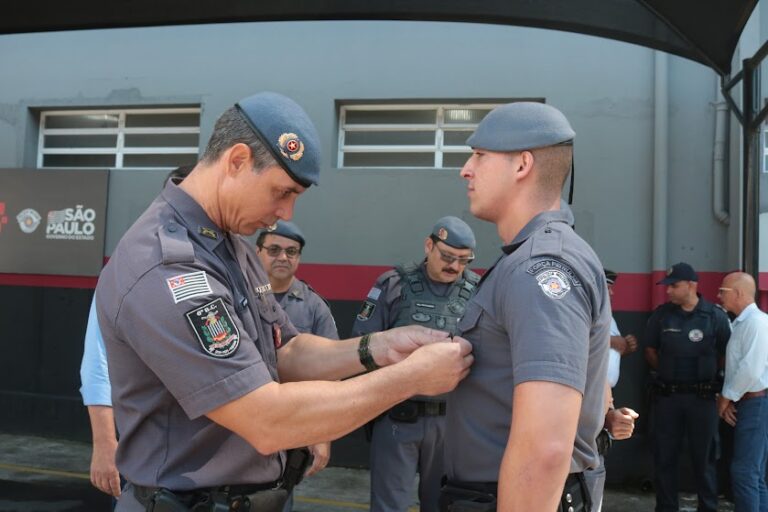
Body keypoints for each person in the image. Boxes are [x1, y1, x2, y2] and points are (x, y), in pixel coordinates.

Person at [94, 92, 474, 512]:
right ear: (237, 161)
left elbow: (285, 351)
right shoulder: (171, 268)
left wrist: (381, 348)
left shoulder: (229, 246)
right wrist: (411, 378)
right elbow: (266, 420)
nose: (285, 211)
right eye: (281, 191)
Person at [441, 101, 610, 511]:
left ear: (522, 166)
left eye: (480, 156)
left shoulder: (541, 268)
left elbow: (546, 448)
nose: (466, 169)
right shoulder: (529, 259)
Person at [79, 165, 194, 500]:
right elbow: (97, 361)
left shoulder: (229, 267)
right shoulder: (132, 265)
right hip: (151, 458)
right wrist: (104, 445)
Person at [351, 216, 479, 512]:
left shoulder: (478, 291)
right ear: (428, 245)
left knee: (445, 504)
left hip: (452, 425)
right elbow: (362, 344)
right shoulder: (393, 284)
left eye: (463, 260)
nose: (454, 266)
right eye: (447, 256)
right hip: (398, 418)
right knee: (389, 505)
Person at [255, 220, 337, 511]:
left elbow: (331, 376)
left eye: (292, 251)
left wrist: (322, 434)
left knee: (278, 501)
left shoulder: (314, 307)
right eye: (274, 249)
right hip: (241, 419)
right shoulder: (237, 297)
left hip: (292, 426)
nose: (283, 257)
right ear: (258, 252)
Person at [644, 262, 731, 512]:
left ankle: (708, 507)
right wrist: (668, 372)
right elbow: (650, 349)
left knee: (704, 460)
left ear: (692, 285)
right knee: (665, 458)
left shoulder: (714, 316)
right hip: (668, 397)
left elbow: (725, 353)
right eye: (668, 286)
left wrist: (709, 375)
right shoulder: (662, 315)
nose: (668, 291)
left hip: (703, 399)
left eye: (674, 286)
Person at [583, 269, 640, 512]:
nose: (612, 292)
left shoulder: (609, 315)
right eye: (607, 287)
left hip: (604, 398)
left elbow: (616, 348)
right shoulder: (584, 310)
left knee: (596, 467)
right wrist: (618, 343)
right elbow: (595, 341)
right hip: (583, 400)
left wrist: (625, 346)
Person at [716, 272, 768, 512]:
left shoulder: (756, 323)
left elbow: (750, 369)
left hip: (755, 403)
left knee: (745, 472)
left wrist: (725, 399)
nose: (718, 296)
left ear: (738, 293)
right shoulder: (743, 323)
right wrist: (729, 399)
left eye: (722, 292)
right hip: (750, 403)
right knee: (753, 474)